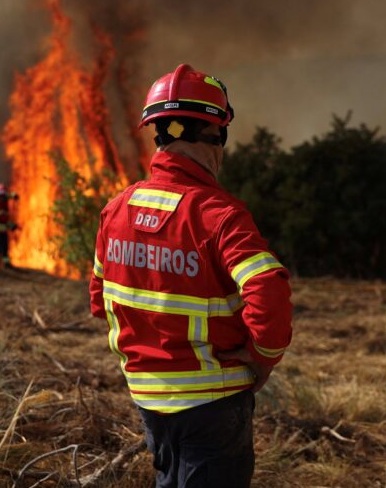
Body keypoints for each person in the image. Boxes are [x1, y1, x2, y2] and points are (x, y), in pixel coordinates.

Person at [89, 64, 293, 488]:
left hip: (147, 397)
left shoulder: (116, 208)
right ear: (213, 135)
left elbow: (98, 298)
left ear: (159, 135)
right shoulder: (218, 214)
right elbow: (267, 291)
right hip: (213, 400)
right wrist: (262, 358)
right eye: (221, 136)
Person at [0, 183, 18, 267]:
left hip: (3, 227)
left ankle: (6, 262)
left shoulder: (4, 198)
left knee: (5, 246)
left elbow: (5, 219)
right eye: (1, 196)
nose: (3, 197)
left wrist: (14, 195)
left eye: (4, 195)